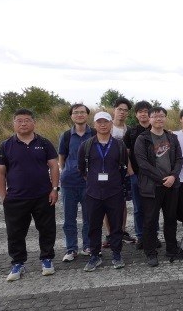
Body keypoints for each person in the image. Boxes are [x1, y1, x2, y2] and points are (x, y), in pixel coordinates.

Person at [0, 109, 59, 281]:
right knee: (15, 232)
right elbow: (0, 172)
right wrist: (3, 196)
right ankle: (18, 263)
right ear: (14, 123)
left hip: (43, 196)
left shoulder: (44, 143)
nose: (23, 123)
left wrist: (54, 189)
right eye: (19, 120)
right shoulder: (5, 145)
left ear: (33, 123)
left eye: (27, 120)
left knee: (46, 229)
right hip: (16, 198)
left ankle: (46, 259)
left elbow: (54, 166)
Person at [78, 111, 128, 271]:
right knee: (93, 225)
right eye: (99, 122)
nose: (103, 125)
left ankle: (117, 254)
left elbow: (123, 168)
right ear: (94, 125)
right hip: (93, 193)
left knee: (116, 225)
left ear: (111, 124)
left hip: (114, 192)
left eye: (106, 122)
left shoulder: (119, 145)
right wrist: (92, 180)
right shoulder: (86, 145)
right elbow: (82, 169)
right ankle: (95, 255)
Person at [134, 107, 183, 267]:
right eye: (155, 116)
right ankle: (151, 253)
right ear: (149, 119)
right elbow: (142, 163)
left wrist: (173, 176)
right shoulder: (143, 139)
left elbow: (179, 159)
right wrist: (163, 179)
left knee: (170, 219)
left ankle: (172, 249)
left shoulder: (172, 137)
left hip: (171, 185)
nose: (158, 119)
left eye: (161, 116)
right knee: (150, 221)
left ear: (165, 118)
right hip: (152, 187)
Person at [58, 104, 94, 262]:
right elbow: (62, 157)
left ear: (87, 115)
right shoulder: (66, 136)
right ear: (71, 116)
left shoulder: (94, 133)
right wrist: (66, 171)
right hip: (69, 183)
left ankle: (88, 245)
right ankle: (71, 248)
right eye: (76, 112)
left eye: (82, 112)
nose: (79, 115)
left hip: (90, 183)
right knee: (69, 218)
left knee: (90, 217)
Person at [123, 100, 152, 249]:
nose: (143, 114)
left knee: (153, 208)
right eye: (140, 112)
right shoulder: (131, 132)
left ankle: (153, 236)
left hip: (154, 177)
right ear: (136, 114)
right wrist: (131, 173)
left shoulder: (157, 129)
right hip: (136, 175)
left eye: (146, 111)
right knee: (138, 208)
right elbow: (126, 154)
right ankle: (141, 236)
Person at [108, 97, 136, 246]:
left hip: (124, 172)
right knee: (106, 202)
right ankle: (109, 233)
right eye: (120, 109)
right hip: (107, 171)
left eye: (125, 110)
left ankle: (122, 231)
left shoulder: (129, 130)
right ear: (114, 110)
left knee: (123, 202)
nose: (122, 113)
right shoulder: (106, 127)